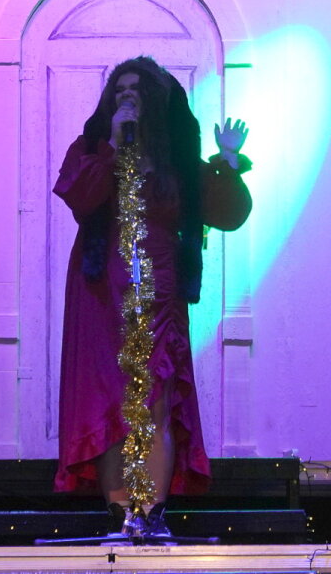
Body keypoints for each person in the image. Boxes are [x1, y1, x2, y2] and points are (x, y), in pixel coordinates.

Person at [52, 56, 252, 538]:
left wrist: (227, 164)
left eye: (136, 91)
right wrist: (112, 147)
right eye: (120, 90)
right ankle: (120, 515)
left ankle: (151, 514)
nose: (127, 97)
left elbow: (227, 214)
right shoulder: (91, 148)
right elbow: (81, 196)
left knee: (157, 399)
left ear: (156, 102)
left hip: (160, 294)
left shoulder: (176, 162)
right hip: (101, 295)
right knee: (108, 402)